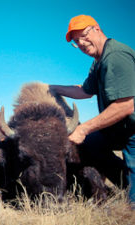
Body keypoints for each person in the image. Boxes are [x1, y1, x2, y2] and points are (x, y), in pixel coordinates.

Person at [50, 15, 135, 209]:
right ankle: (125, 184)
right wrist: (54, 88)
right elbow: (85, 91)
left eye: (83, 35)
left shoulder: (115, 56)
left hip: (133, 130)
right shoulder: (98, 61)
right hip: (117, 127)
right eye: (76, 42)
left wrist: (83, 129)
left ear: (97, 28)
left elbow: (126, 105)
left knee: (132, 208)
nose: (81, 43)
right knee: (90, 145)